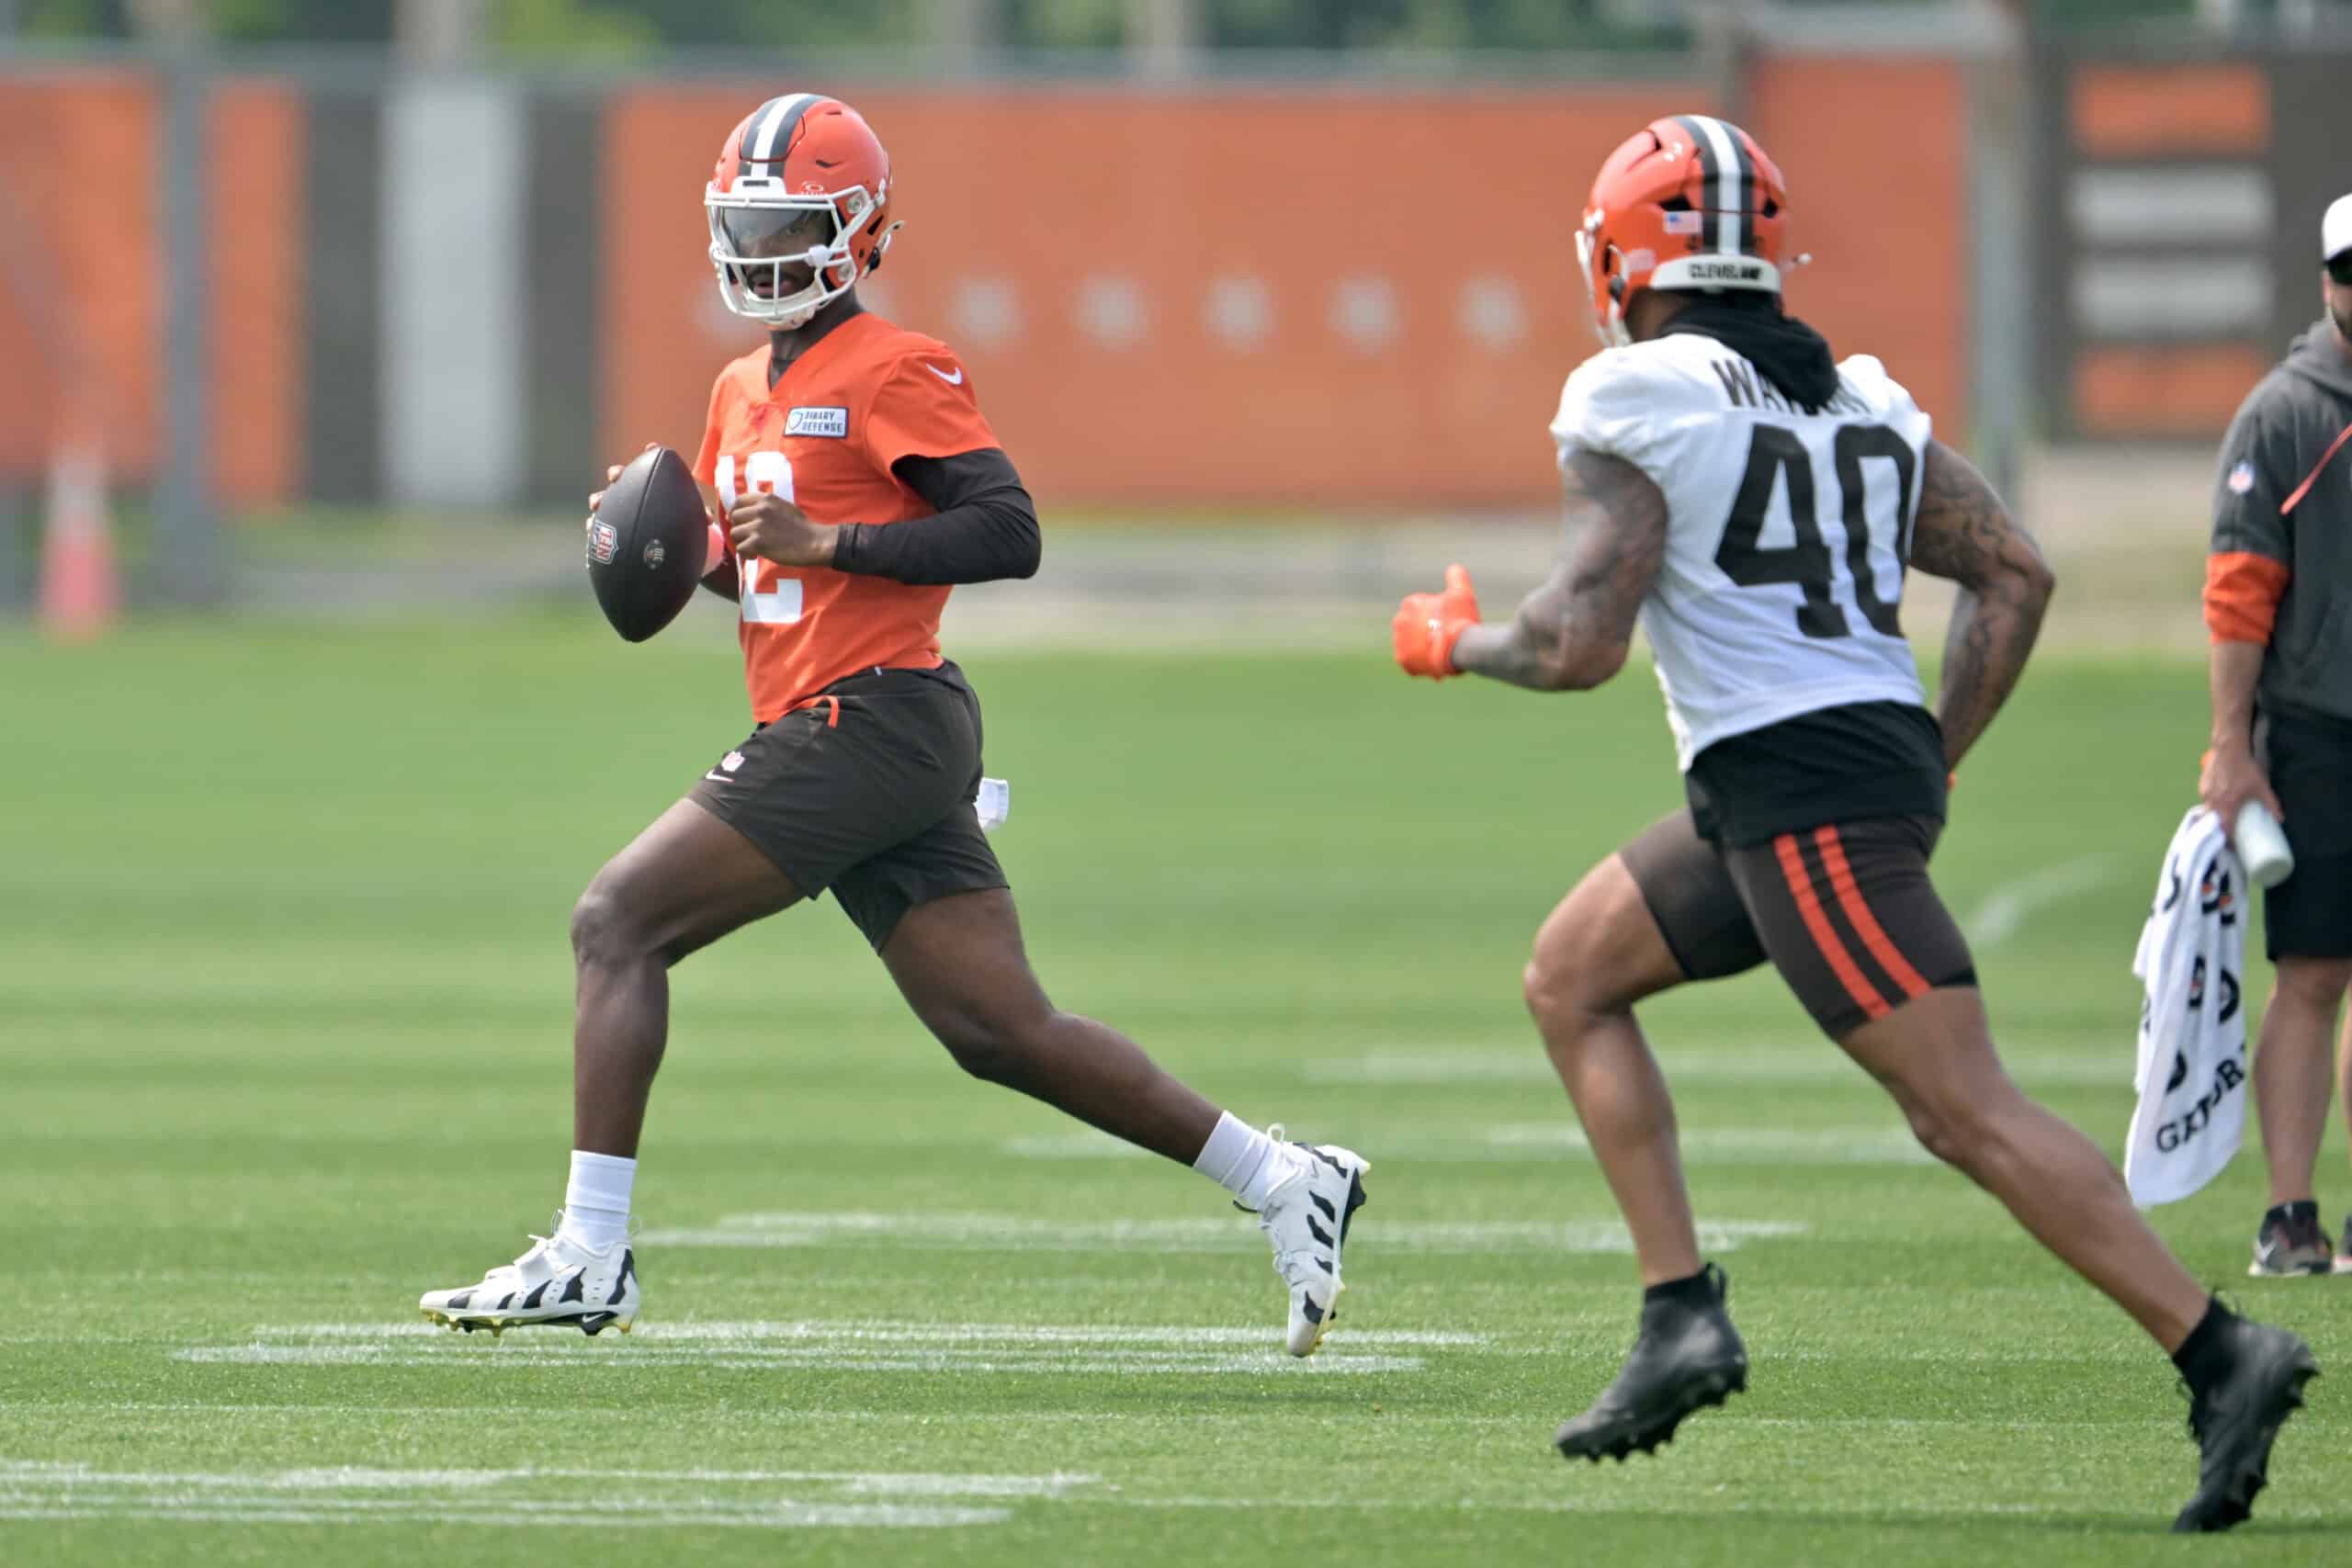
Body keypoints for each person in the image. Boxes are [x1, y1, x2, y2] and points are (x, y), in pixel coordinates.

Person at [1389, 114, 2315, 1532]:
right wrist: (1931, 761)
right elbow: (2017, 573)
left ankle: (2219, 1348)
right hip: (1810, 782)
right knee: (1572, 974)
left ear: (1627, 260)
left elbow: (1578, 639)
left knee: (1965, 1108)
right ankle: (1680, 1313)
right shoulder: (1857, 399)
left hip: (1803, 792)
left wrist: (1457, 644)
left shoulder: (1639, 393)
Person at [418, 93, 1368, 1357]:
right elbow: (756, 577)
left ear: (860, 231)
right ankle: (1287, 1176)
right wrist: (656, 547)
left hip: (875, 713)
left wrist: (837, 538)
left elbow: (1007, 529)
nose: (763, 250)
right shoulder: (736, 387)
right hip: (858, 727)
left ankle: (592, 1249)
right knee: (1001, 1030)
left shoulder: (896, 364)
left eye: (791, 224)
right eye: (747, 223)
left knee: (616, 919)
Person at [2200, 191, 2352, 1277]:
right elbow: (2238, 595)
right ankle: (2291, 1217)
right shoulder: (2285, 414)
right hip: (2317, 730)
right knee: (2312, 971)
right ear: (2325, 282)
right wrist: (2231, 746)